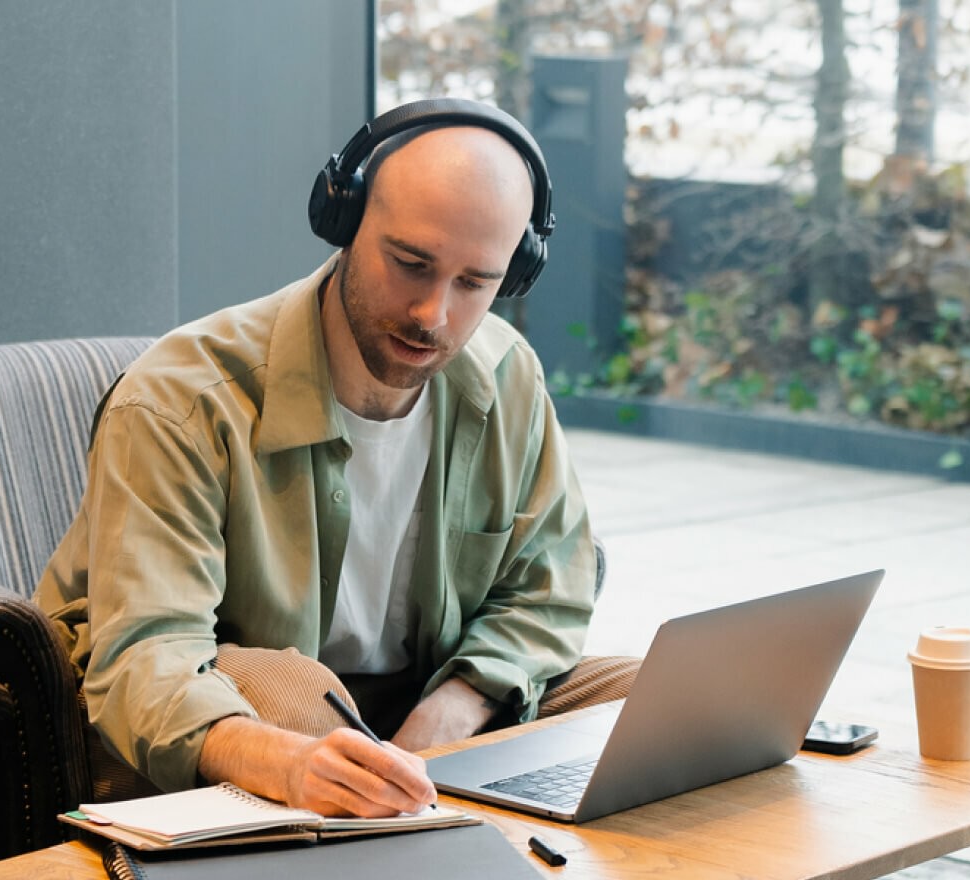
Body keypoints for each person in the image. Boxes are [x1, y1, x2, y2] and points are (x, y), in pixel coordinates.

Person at [35, 98, 637, 821]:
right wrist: (291, 763)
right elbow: (148, 656)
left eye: (474, 283)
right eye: (411, 264)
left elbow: (549, 592)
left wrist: (447, 720)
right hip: (229, 712)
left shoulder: (506, 375)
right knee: (300, 699)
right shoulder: (180, 401)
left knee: (662, 705)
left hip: (421, 699)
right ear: (345, 220)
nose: (433, 315)